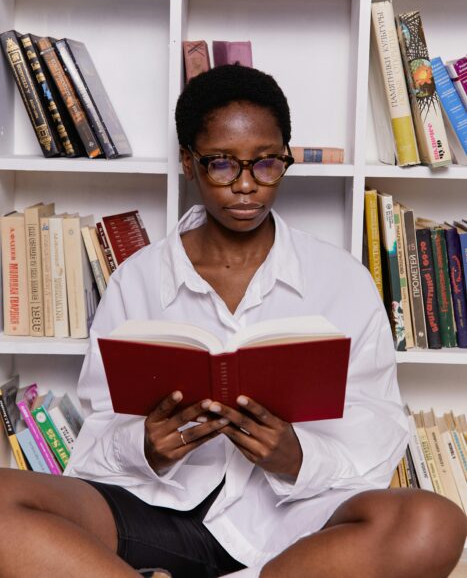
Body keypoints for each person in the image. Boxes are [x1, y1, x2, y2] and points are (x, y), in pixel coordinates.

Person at [0, 65, 465, 578]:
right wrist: (147, 447)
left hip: (296, 528)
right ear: (188, 163)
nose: (246, 185)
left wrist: (295, 457)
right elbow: (98, 435)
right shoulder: (137, 279)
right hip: (157, 512)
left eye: (266, 163)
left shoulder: (342, 280)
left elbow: (379, 428)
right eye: (221, 164)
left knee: (433, 523)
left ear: (285, 157)